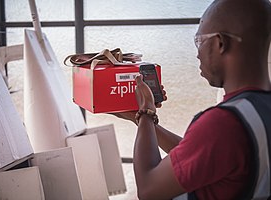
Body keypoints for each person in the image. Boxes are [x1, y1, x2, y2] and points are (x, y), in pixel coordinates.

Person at [115, 0, 271, 199]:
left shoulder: (223, 123)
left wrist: (146, 113)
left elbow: (148, 189)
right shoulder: (256, 111)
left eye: (199, 41)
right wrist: (139, 119)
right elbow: (202, 153)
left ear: (220, 43)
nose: (197, 54)